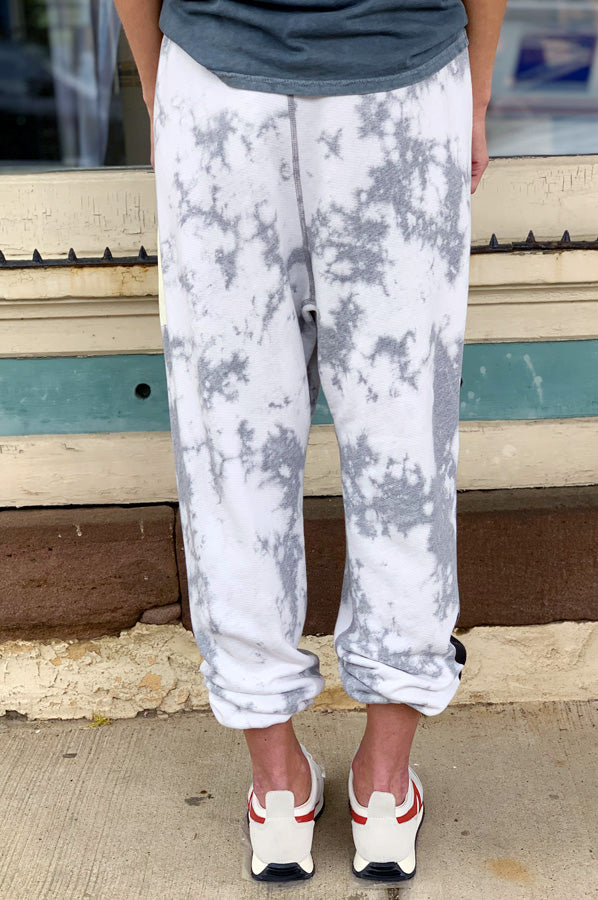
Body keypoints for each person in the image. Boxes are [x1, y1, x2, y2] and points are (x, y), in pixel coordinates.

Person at [114, 0, 507, 884]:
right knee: (405, 446)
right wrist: (476, 95)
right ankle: (383, 792)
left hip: (219, 86)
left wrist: (162, 87)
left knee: (230, 444)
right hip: (401, 85)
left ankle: (280, 792)